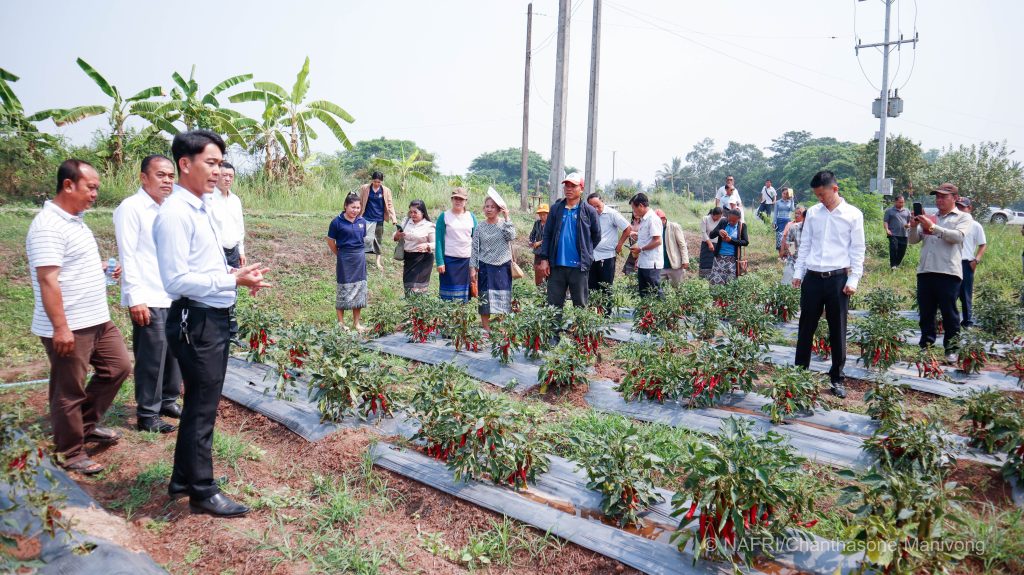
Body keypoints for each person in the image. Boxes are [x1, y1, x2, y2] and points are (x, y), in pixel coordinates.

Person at [154, 129, 270, 517]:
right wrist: (231, 281)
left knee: (199, 405)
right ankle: (203, 491)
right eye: (211, 163)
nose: (218, 171)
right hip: (196, 321)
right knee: (202, 408)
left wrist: (236, 274)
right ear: (185, 164)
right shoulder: (175, 214)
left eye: (221, 163)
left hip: (209, 317)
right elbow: (175, 280)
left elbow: (202, 266)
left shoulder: (200, 208)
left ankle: (182, 479)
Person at [27, 159, 132, 475]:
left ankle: (83, 426)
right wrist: (61, 328)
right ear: (68, 185)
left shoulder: (75, 221)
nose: (95, 194)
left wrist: (101, 268)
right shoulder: (48, 226)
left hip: (96, 318)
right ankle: (70, 452)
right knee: (69, 389)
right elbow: (48, 280)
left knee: (118, 368)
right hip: (71, 323)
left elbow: (68, 266)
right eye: (91, 187)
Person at [113, 154, 181, 434]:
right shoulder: (131, 208)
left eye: (171, 176)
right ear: (143, 177)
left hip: (173, 294)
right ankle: (147, 414)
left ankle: (168, 400)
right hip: (148, 295)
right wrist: (135, 298)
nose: (167, 181)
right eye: (160, 175)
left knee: (174, 353)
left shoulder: (171, 209)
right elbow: (127, 255)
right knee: (152, 357)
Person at [792, 170, 865, 398]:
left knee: (838, 330)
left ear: (835, 189)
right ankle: (799, 375)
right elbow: (805, 245)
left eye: (822, 194)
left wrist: (853, 279)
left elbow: (858, 249)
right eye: (817, 195)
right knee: (806, 328)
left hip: (838, 280)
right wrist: (798, 272)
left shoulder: (853, 214)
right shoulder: (813, 213)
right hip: (813, 278)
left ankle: (837, 378)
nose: (820, 199)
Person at [908, 183, 972, 360]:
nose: (939, 200)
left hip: (948, 273)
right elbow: (913, 240)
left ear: (955, 198)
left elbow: (957, 237)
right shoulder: (931, 217)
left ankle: (951, 348)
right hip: (926, 271)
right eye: (937, 197)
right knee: (926, 312)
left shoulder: (963, 217)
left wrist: (933, 227)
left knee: (949, 313)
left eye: (943, 197)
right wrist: (913, 226)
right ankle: (926, 345)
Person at [537, 173, 602, 309]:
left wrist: (586, 251)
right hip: (556, 266)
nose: (569, 189)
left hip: (579, 267)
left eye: (573, 186)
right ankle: (555, 325)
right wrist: (544, 259)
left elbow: (596, 235)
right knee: (554, 306)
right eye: (567, 185)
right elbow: (547, 234)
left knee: (580, 305)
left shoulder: (589, 211)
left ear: (581, 189)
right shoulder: (556, 209)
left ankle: (579, 325)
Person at [470, 192, 516, 330]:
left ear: (498, 210)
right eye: (487, 206)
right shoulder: (480, 227)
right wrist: (472, 268)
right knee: (485, 299)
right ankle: (486, 329)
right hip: (485, 266)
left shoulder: (504, 224)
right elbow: (475, 248)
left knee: (502, 298)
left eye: (492, 207)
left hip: (502, 266)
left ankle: (501, 329)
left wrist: (507, 217)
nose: (489, 209)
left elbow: (511, 236)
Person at [328, 195, 369, 330]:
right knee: (343, 288)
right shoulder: (336, 222)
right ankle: (341, 324)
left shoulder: (362, 221)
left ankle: (356, 323)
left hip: (359, 259)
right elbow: (330, 241)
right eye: (353, 207)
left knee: (359, 289)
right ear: (345, 206)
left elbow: (363, 239)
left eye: (358, 207)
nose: (355, 210)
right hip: (344, 258)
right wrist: (340, 254)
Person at [435, 187, 477, 301]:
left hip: (466, 261)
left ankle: (462, 313)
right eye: (455, 198)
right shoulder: (444, 216)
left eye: (461, 199)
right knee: (447, 296)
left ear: (466, 201)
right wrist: (440, 261)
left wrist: (475, 263)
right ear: (452, 199)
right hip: (449, 261)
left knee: (464, 296)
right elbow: (438, 240)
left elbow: (476, 240)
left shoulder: (471, 217)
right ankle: (447, 313)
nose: (458, 201)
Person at [616, 193, 662, 298]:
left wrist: (640, 249)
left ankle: (662, 309)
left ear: (641, 205)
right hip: (644, 262)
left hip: (652, 264)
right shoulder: (644, 220)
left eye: (634, 208)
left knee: (655, 294)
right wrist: (639, 258)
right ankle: (646, 310)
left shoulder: (652, 219)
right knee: (644, 295)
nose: (634, 212)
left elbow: (658, 241)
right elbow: (645, 240)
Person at [586, 192, 630, 294]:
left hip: (606, 256)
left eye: (598, 206)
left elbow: (627, 228)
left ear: (603, 202)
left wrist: (619, 244)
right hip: (591, 256)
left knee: (606, 288)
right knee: (591, 288)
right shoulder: (588, 215)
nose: (595, 209)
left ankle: (606, 305)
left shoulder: (612, 214)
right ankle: (593, 305)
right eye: (592, 207)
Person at [955, 197, 986, 327]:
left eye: (963, 207)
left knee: (965, 294)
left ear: (969, 208)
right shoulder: (952, 223)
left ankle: (967, 321)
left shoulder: (975, 225)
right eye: (958, 207)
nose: (960, 209)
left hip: (966, 263)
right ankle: (950, 321)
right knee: (950, 293)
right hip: (951, 262)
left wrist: (976, 260)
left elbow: (982, 244)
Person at [358, 171, 398, 271]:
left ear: (382, 182)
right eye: (375, 181)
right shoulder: (365, 188)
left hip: (379, 218)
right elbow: (360, 201)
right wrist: (356, 215)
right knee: (364, 238)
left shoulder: (386, 191)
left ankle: (378, 262)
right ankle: (361, 259)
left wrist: (394, 218)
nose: (376, 183)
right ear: (372, 180)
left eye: (379, 182)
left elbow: (390, 205)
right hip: (366, 217)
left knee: (378, 240)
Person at [394, 200, 435, 295]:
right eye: (411, 212)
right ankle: (410, 304)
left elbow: (436, 243)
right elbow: (395, 238)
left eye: (415, 212)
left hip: (423, 259)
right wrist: (397, 235)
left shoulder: (429, 226)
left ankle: (419, 304)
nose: (412, 214)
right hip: (408, 258)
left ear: (423, 212)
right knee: (408, 287)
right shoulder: (406, 222)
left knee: (418, 289)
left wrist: (427, 245)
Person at [209, 161, 245, 269]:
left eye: (231, 176)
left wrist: (241, 251)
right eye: (224, 175)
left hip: (233, 253)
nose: (228, 179)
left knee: (234, 279)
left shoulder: (235, 200)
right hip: (214, 253)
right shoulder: (208, 198)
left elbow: (239, 226)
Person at [708, 209, 749, 286]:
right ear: (727, 217)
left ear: (739, 219)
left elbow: (745, 242)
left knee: (730, 285)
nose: (731, 222)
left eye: (734, 221)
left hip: (732, 260)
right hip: (719, 258)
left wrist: (731, 240)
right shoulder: (723, 222)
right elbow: (711, 235)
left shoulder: (742, 226)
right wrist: (719, 231)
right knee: (715, 284)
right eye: (729, 220)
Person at [656, 209, 689, 286]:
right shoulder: (655, 229)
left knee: (677, 288)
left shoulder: (674, 227)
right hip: (660, 266)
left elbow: (682, 245)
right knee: (659, 288)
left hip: (675, 265)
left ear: (663, 219)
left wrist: (685, 260)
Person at [883, 195, 911, 269]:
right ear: (895, 202)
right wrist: (887, 229)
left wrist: (909, 225)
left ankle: (897, 264)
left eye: (903, 202)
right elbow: (886, 221)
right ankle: (893, 265)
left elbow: (910, 221)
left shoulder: (907, 211)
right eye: (900, 202)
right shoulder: (889, 211)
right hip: (893, 234)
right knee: (893, 249)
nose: (902, 204)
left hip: (904, 234)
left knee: (902, 251)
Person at [780, 205, 805, 285]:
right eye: (796, 213)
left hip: (805, 263)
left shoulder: (811, 228)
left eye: (799, 213)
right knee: (786, 283)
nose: (797, 215)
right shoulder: (792, 226)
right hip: (793, 259)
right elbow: (788, 241)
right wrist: (792, 253)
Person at [698, 207, 724, 279]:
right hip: (706, 243)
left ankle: (714, 278)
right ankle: (703, 278)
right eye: (717, 216)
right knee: (705, 262)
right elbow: (703, 232)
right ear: (713, 214)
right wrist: (709, 243)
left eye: (720, 217)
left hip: (717, 244)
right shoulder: (705, 219)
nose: (718, 218)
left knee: (715, 261)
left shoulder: (722, 220)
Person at [528, 203, 549, 287]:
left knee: (547, 272)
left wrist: (539, 242)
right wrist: (531, 241)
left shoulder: (551, 224)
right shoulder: (537, 223)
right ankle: (540, 289)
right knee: (538, 272)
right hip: (538, 252)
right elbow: (532, 234)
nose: (542, 216)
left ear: (548, 214)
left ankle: (548, 289)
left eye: (544, 214)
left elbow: (550, 238)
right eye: (540, 214)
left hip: (547, 252)